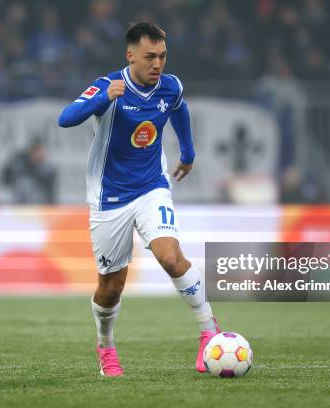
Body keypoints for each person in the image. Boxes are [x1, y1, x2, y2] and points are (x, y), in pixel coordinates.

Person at [58, 21, 219, 377]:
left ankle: (209, 332)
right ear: (130, 56)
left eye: (162, 56)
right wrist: (104, 98)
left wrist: (188, 152)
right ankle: (106, 347)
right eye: (150, 57)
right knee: (111, 285)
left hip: (152, 187)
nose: (157, 64)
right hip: (109, 197)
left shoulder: (170, 86)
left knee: (171, 257)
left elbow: (179, 108)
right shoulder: (108, 86)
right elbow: (65, 119)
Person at [2, 139, 57, 204]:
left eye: (39, 150)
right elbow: (5, 181)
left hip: (40, 209)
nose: (37, 154)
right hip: (20, 209)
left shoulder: (48, 169)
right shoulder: (20, 166)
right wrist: (12, 161)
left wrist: (27, 163)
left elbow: (44, 178)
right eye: (35, 150)